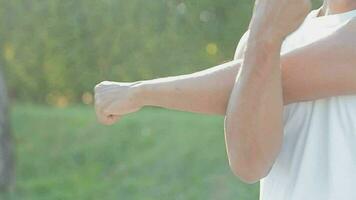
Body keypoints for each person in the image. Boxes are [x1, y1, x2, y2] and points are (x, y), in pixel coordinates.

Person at [94, 0, 356, 199]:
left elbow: (284, 78)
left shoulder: (267, 40)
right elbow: (250, 165)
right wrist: (263, 33)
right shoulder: (266, 35)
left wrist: (139, 92)